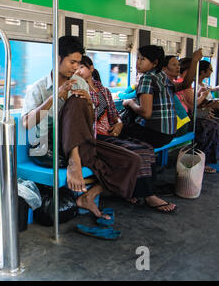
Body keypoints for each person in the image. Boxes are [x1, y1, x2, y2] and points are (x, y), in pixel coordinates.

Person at [21, 36, 141, 220]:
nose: (75, 67)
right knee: (75, 101)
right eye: (72, 62)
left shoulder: (80, 83)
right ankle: (74, 161)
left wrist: (87, 103)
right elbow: (26, 123)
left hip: (79, 141)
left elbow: (90, 121)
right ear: (57, 58)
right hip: (49, 147)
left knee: (132, 160)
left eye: (78, 63)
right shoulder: (38, 89)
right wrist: (54, 97)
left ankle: (88, 197)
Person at [75, 56, 176, 213]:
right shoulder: (78, 92)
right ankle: (149, 196)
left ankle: (136, 191)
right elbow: (83, 121)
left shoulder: (103, 90)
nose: (77, 71)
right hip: (95, 137)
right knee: (136, 153)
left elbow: (114, 113)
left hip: (110, 133)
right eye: (75, 67)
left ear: (91, 68)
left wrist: (119, 123)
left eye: (81, 67)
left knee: (147, 148)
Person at [121, 45, 202, 149]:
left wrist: (129, 103)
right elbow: (185, 84)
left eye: (143, 59)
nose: (138, 62)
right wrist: (194, 61)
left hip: (155, 134)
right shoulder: (162, 75)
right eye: (138, 58)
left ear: (155, 63)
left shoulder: (147, 78)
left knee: (119, 129)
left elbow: (146, 113)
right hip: (169, 132)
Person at [175, 58, 219, 174]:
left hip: (185, 116)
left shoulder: (183, 85)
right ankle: (201, 160)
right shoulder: (183, 85)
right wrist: (203, 95)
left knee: (213, 124)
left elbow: (189, 103)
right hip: (182, 121)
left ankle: (206, 157)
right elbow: (193, 105)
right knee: (211, 126)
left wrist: (199, 94)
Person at [162, 55, 191, 137]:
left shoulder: (167, 83)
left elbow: (186, 84)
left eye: (178, 65)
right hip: (182, 122)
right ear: (164, 69)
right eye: (174, 65)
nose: (178, 67)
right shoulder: (167, 83)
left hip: (179, 125)